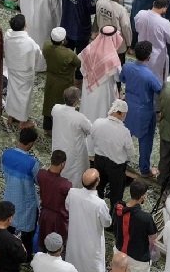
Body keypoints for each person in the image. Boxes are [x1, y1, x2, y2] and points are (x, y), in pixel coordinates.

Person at [79, 25, 124, 153]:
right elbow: (118, 77)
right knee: (100, 115)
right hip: (103, 91)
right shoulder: (112, 58)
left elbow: (81, 62)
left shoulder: (90, 47)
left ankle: (84, 143)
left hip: (88, 88)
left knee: (88, 112)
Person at [65, 168, 112, 272]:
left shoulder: (72, 193)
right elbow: (107, 223)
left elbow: (67, 207)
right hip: (92, 244)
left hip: (75, 238)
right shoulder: (99, 204)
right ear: (97, 182)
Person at [1, 128, 39, 256]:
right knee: (27, 233)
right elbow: (38, 180)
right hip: (25, 201)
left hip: (9, 195)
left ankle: (8, 251)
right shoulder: (32, 163)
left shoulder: (6, 154)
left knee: (9, 225)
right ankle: (26, 256)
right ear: (31, 144)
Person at [91, 100, 134, 210]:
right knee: (116, 194)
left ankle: (97, 210)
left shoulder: (98, 122)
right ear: (123, 114)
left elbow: (92, 136)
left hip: (99, 161)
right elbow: (130, 152)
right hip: (116, 166)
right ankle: (114, 217)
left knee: (98, 188)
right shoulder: (124, 131)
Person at [4, 14, 46, 126]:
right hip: (25, 72)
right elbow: (38, 55)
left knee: (12, 91)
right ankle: (22, 121)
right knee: (23, 96)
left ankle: (11, 116)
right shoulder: (29, 42)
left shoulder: (7, 35)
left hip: (12, 68)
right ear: (24, 25)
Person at [113, 180, 158, 272]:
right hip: (138, 258)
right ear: (143, 196)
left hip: (119, 251)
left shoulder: (118, 209)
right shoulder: (146, 218)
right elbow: (154, 237)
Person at [41, 28, 80, 132]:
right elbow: (79, 63)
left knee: (48, 102)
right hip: (64, 82)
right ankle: (59, 127)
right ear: (63, 40)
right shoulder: (68, 54)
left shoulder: (46, 45)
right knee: (62, 104)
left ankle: (47, 127)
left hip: (50, 80)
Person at [51, 87, 91, 187]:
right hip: (74, 151)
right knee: (75, 177)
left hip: (59, 146)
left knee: (61, 171)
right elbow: (90, 129)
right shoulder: (79, 118)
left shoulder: (56, 108)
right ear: (77, 100)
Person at [61, 0, 96, 68]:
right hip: (81, 30)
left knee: (66, 55)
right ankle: (78, 76)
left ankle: (65, 71)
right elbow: (92, 10)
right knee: (81, 58)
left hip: (66, 24)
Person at [135, 0, 170, 85]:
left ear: (154, 3)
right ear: (164, 9)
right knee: (156, 82)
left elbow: (137, 28)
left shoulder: (140, 14)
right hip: (156, 58)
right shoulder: (164, 23)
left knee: (141, 78)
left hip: (140, 53)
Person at [36, 150, 71, 251]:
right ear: (62, 164)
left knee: (43, 242)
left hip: (44, 215)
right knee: (56, 245)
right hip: (58, 218)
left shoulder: (41, 174)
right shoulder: (65, 184)